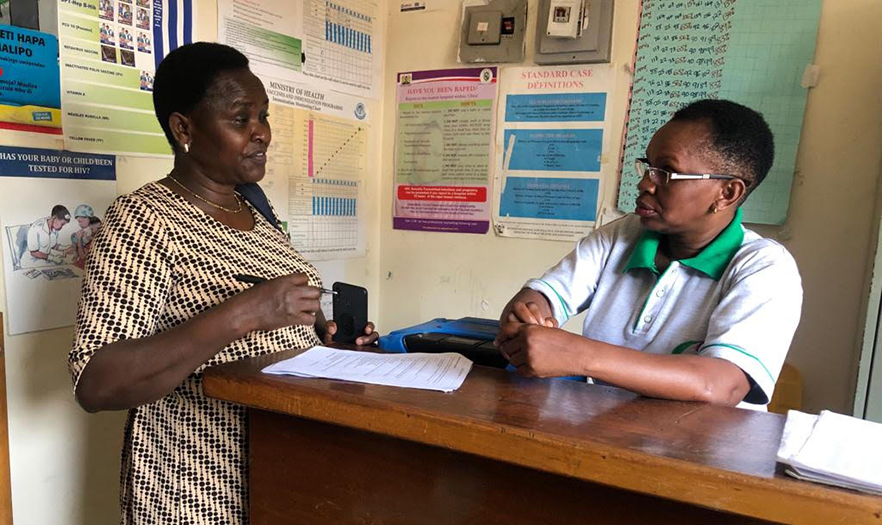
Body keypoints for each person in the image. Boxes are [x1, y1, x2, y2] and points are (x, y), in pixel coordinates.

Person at [68, 42, 377, 525]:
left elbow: (283, 334)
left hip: (284, 474)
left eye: (264, 116)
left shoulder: (259, 214)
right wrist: (244, 312)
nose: (262, 134)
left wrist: (331, 346)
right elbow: (96, 383)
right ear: (184, 128)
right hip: (194, 484)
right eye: (241, 119)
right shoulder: (144, 219)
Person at [495, 99, 802, 410]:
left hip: (697, 452)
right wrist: (526, 318)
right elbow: (543, 295)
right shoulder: (622, 235)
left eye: (666, 173)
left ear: (727, 193)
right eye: (648, 166)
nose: (644, 183)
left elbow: (721, 384)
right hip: (603, 433)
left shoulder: (764, 268)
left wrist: (579, 355)